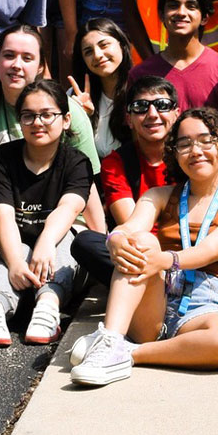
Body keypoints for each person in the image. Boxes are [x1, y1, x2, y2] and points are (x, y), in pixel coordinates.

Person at [69, 108, 218, 386]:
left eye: (206, 140)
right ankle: (111, 339)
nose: (195, 150)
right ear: (174, 153)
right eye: (185, 144)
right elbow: (130, 228)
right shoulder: (159, 195)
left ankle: (129, 352)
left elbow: (211, 250)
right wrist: (117, 238)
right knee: (140, 240)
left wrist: (166, 260)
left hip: (205, 305)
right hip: (155, 300)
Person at [0, 78, 95, 347]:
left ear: (65, 120)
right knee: (16, 252)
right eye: (28, 116)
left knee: (68, 239)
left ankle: (48, 307)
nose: (37, 123)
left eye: (47, 115)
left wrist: (46, 242)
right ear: (20, 121)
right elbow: (3, 215)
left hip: (54, 248)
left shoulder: (77, 162)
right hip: (9, 246)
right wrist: (17, 262)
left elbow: (68, 208)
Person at [70, 77, 181, 288]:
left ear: (176, 114)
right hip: (139, 249)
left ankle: (153, 285)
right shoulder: (116, 162)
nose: (152, 114)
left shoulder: (189, 155)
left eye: (162, 106)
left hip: (185, 249)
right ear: (129, 119)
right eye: (140, 107)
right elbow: (132, 226)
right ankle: (159, 284)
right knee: (85, 243)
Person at [0, 24, 99, 183]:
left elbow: (88, 175)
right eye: (9, 55)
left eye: (27, 58)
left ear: (40, 66)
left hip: (56, 198)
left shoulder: (67, 108)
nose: (17, 65)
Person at [130, 0, 218, 111]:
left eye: (191, 6)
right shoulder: (140, 75)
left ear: (205, 17)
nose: (181, 12)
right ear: (161, 15)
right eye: (173, 5)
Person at [73, 18, 136, 159]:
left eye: (104, 45)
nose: (97, 55)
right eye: (88, 52)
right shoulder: (76, 97)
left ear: (121, 44)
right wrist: (82, 118)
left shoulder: (142, 91)